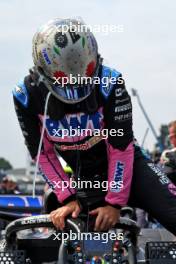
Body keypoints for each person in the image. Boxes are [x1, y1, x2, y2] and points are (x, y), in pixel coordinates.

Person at [13, 18, 176, 234]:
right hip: (84, 181)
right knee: (63, 232)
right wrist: (69, 197)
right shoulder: (26, 95)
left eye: (81, 69)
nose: (74, 79)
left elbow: (121, 147)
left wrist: (114, 203)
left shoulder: (111, 82)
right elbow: (43, 155)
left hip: (131, 168)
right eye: (66, 74)